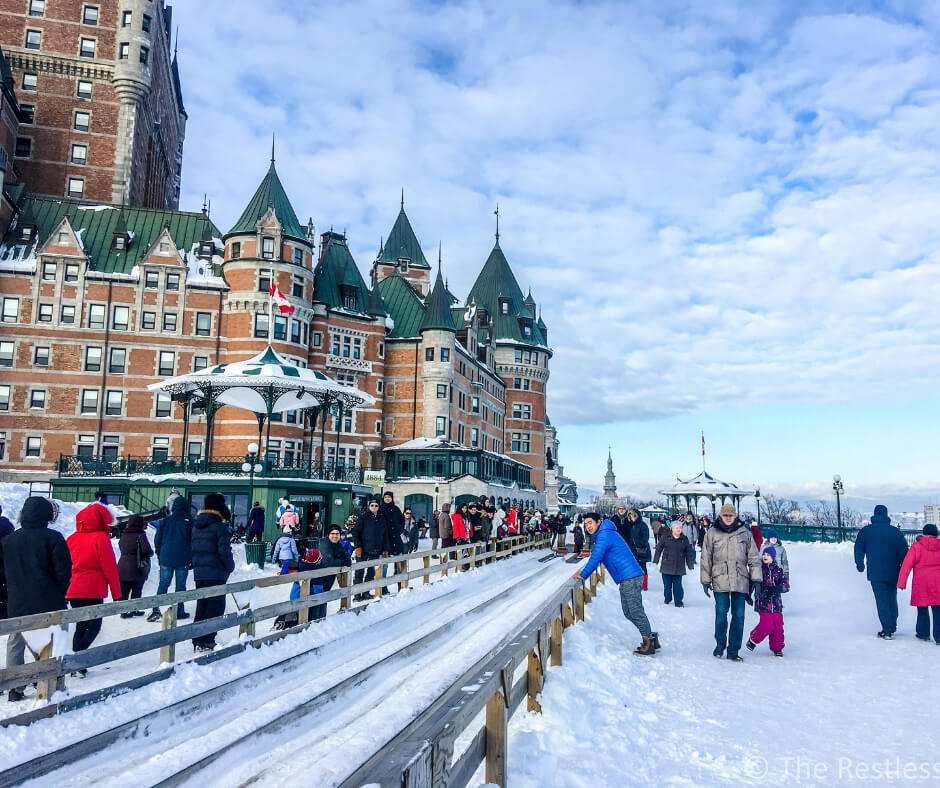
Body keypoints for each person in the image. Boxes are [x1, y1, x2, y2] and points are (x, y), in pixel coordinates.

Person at [0, 497, 71, 701]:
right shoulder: (54, 538)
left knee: (16, 641)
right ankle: (44, 680)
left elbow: (3, 573)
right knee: (47, 642)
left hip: (17, 601)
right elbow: (64, 572)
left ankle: (15, 687)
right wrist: (59, 593)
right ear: (47, 515)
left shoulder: (9, 540)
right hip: (47, 601)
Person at [575, 512, 658, 656]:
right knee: (628, 612)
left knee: (635, 611)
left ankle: (649, 643)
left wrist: (583, 575)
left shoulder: (604, 535)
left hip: (630, 576)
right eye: (586, 524)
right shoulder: (604, 534)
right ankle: (651, 637)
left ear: (598, 522)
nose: (588, 526)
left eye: (590, 523)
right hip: (627, 576)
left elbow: (596, 557)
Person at [700, 503, 761, 661]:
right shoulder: (712, 533)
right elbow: (706, 557)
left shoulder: (745, 534)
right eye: (725, 515)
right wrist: (705, 580)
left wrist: (756, 579)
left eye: (731, 515)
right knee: (721, 614)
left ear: (735, 516)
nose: (728, 518)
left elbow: (754, 558)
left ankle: (733, 650)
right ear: (720, 516)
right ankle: (720, 645)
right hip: (720, 579)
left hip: (740, 580)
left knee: (739, 616)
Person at [66, 503, 122, 667]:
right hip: (93, 589)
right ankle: (78, 661)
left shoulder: (72, 538)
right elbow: (109, 566)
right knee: (95, 625)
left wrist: (64, 591)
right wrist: (117, 593)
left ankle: (76, 661)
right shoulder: (101, 538)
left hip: (74, 589)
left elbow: (64, 566)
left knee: (81, 625)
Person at [855, 504, 909, 639]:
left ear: (874, 515)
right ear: (886, 515)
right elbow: (904, 552)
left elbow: (858, 548)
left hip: (875, 572)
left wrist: (860, 563)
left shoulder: (866, 531)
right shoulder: (895, 532)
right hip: (893, 571)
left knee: (882, 600)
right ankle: (892, 624)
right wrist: (903, 567)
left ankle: (887, 629)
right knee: (891, 597)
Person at [190, 492, 235, 651]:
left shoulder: (196, 525)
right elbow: (224, 552)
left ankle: (197, 638)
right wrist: (230, 567)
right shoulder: (219, 527)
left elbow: (193, 548)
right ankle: (207, 639)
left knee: (202, 605)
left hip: (200, 573)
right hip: (216, 573)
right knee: (215, 606)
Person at [147, 495, 193, 622]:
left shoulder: (165, 521)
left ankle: (156, 609)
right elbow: (192, 542)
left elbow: (158, 540)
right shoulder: (189, 522)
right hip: (183, 558)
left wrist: (160, 555)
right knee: (180, 586)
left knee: (163, 584)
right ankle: (180, 610)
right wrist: (191, 558)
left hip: (166, 558)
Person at [897, 524, 940, 644]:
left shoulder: (917, 546)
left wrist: (901, 582)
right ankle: (939, 636)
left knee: (922, 608)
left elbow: (906, 565)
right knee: (938, 610)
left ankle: (923, 633)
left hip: (921, 583)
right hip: (938, 582)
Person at [746, 546, 786, 656]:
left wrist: (778, 588)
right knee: (767, 624)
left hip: (776, 604)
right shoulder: (759, 570)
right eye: (764, 554)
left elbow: (786, 584)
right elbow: (752, 583)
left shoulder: (778, 570)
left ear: (773, 557)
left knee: (777, 625)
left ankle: (777, 647)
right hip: (763, 603)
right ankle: (753, 639)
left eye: (768, 555)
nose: (765, 556)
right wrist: (748, 595)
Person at [352, 499, 389, 601]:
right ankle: (357, 595)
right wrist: (358, 546)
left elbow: (385, 535)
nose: (374, 507)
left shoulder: (382, 518)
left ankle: (366, 593)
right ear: (369, 506)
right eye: (372, 505)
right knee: (359, 572)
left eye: (376, 505)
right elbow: (355, 532)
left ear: (378, 507)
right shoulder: (363, 517)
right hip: (363, 549)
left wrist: (385, 549)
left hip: (376, 550)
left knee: (371, 572)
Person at [117, 514, 152, 617]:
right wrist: (150, 553)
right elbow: (146, 549)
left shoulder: (124, 534)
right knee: (136, 590)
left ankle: (123, 612)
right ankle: (134, 610)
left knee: (124, 591)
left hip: (122, 566)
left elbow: (120, 546)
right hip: (136, 567)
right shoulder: (140, 535)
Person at [653, 520, 695, 606]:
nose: (679, 529)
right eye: (676, 528)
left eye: (680, 528)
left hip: (678, 567)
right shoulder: (665, 537)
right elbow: (659, 549)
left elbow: (688, 552)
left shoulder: (684, 539)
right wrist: (656, 560)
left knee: (678, 587)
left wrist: (690, 564)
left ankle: (678, 602)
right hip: (666, 566)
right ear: (672, 529)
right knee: (667, 586)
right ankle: (667, 598)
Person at [319, 524, 352, 592]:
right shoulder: (325, 544)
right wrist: (342, 561)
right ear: (328, 534)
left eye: (337, 534)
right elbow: (328, 562)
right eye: (332, 533)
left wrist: (342, 560)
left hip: (329, 578)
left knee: (324, 599)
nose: (335, 536)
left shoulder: (338, 545)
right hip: (317, 580)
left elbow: (348, 559)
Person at [627, 508, 651, 590]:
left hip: (641, 550)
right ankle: (635, 584)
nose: (632, 517)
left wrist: (637, 542)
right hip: (632, 550)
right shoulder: (631, 525)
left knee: (642, 567)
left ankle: (644, 585)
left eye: (634, 515)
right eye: (630, 515)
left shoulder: (642, 525)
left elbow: (645, 538)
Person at [381, 491, 406, 560]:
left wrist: (400, 530)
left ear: (392, 498)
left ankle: (397, 570)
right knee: (384, 562)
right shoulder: (380, 509)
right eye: (385, 497)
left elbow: (402, 520)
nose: (387, 499)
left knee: (398, 560)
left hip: (396, 538)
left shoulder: (396, 509)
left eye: (389, 497)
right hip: (385, 538)